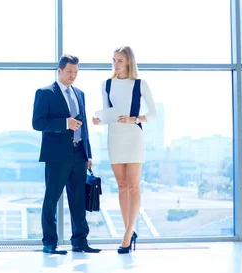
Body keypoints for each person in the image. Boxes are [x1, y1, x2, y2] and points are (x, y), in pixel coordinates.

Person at [32, 54, 101, 255]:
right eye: (70, 71)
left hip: (79, 153)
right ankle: (49, 242)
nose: (73, 76)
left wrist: (88, 153)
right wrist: (65, 124)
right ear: (59, 70)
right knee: (52, 198)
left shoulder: (80, 93)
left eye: (76, 72)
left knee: (78, 199)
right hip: (57, 155)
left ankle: (80, 242)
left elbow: (85, 126)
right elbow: (37, 123)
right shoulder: (45, 93)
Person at [92, 46, 157, 254]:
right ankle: (128, 230)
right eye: (113, 60)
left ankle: (128, 234)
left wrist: (134, 119)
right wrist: (98, 120)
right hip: (114, 137)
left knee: (133, 186)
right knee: (121, 185)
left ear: (129, 62)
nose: (115, 64)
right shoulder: (107, 84)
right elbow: (107, 114)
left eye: (119, 60)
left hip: (134, 137)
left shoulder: (140, 84)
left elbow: (153, 113)